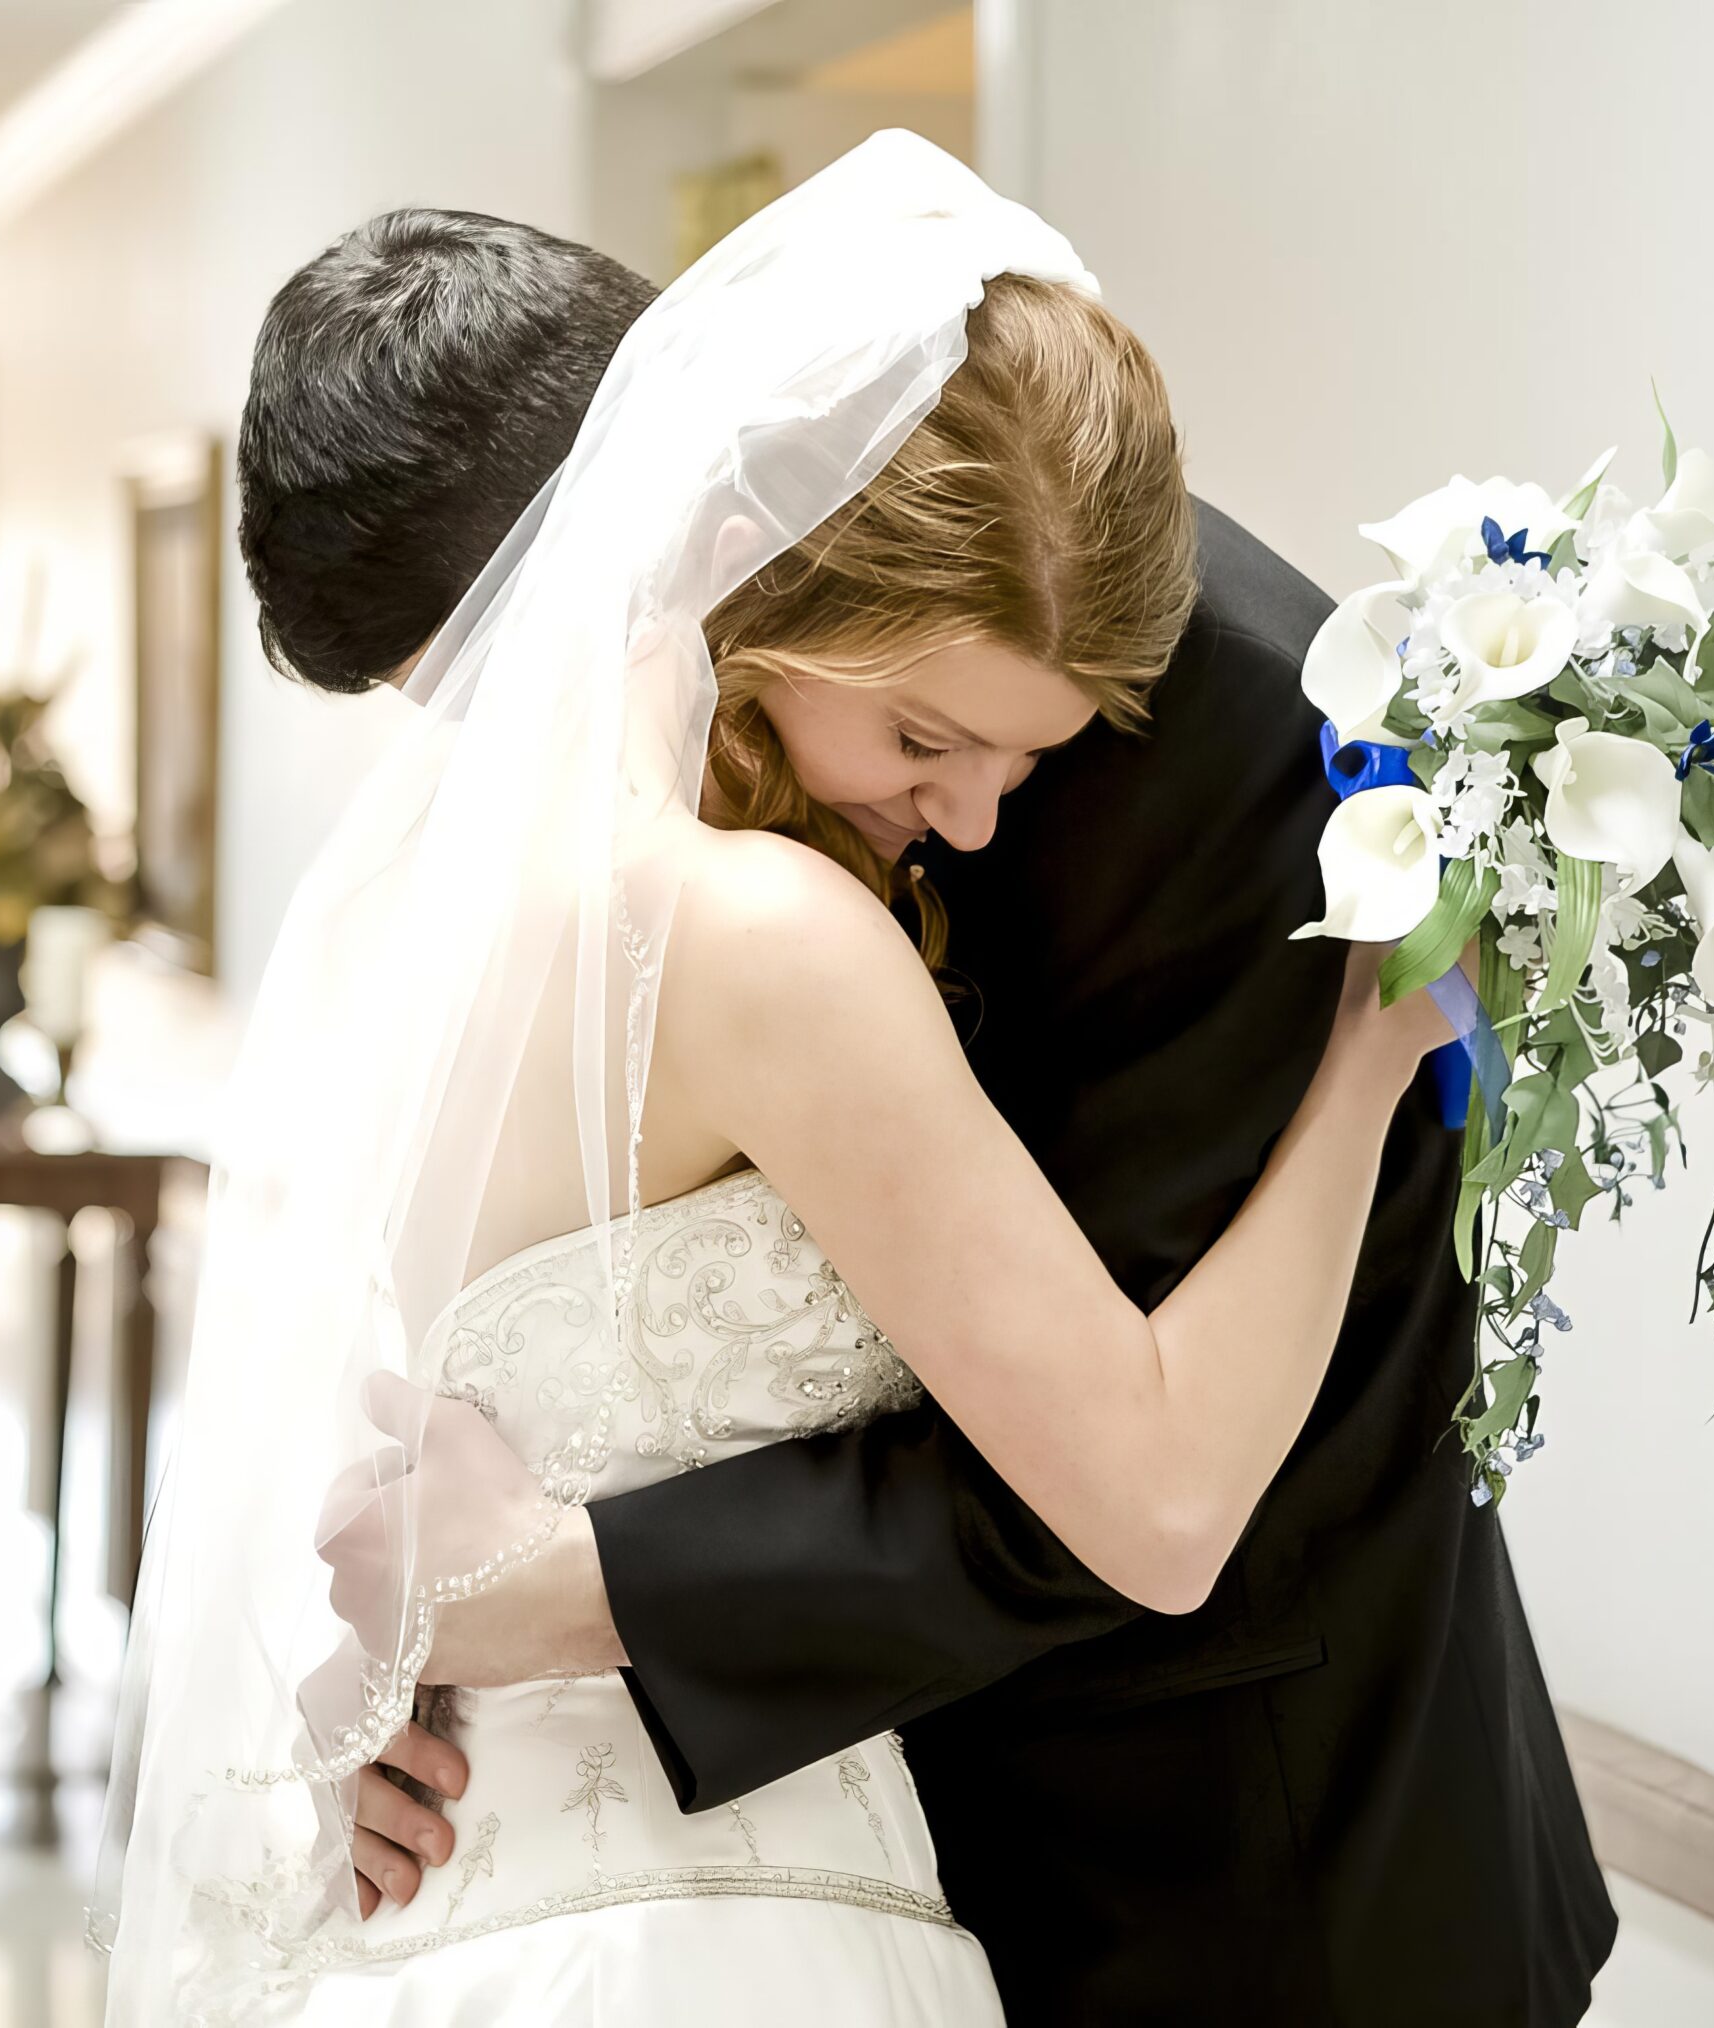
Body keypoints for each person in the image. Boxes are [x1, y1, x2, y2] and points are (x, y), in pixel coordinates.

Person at [200, 142, 1617, 2026]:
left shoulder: (1238, 755)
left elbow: (1155, 1478)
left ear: (711, 521)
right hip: (722, 1869)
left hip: (1234, 1873)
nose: (535, 728)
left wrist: (564, 1596)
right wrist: (397, 1659)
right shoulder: (665, 880)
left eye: (532, 645)